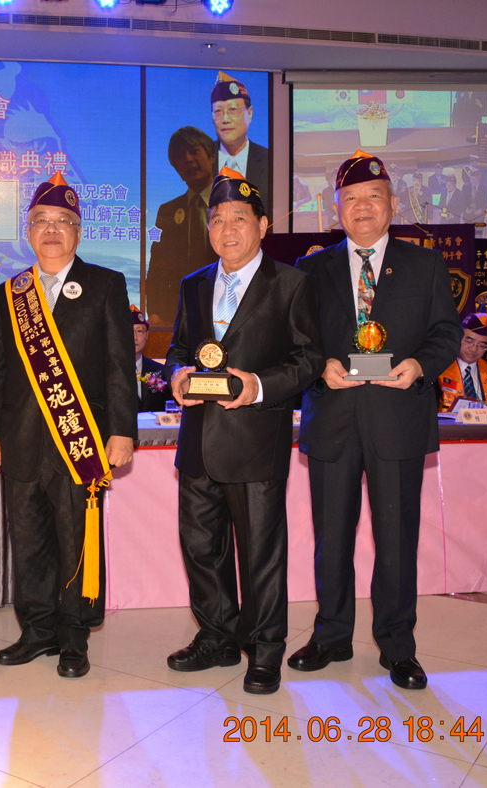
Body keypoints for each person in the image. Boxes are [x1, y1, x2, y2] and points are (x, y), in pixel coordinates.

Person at [291, 150, 460, 691]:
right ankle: (331, 636)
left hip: (398, 418)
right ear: (336, 209)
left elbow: (446, 333)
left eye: (373, 196)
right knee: (332, 540)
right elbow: (297, 340)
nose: (362, 206)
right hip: (333, 419)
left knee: (397, 540)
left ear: (392, 204)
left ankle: (398, 646)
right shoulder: (310, 270)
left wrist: (420, 365)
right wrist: (320, 366)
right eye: (351, 199)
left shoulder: (424, 265)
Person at [164, 168, 323, 695]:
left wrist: (256, 385)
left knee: (260, 553)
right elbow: (179, 349)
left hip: (255, 441)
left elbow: (309, 359)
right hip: (198, 443)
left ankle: (265, 648)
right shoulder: (194, 284)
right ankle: (216, 637)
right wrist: (177, 375)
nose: (226, 229)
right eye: (217, 220)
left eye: (238, 218)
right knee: (200, 548)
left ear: (262, 225)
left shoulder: (291, 284)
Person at [0, 172, 137, 679]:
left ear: (78, 232)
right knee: (28, 541)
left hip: (80, 440)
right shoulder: (9, 293)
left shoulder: (105, 285)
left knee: (76, 538)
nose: (51, 230)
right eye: (41, 221)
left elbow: (119, 365)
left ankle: (73, 636)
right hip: (20, 440)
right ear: (28, 231)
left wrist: (122, 430)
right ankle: (37, 631)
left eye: (62, 222)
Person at [147, 127, 219, 326]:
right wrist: (155, 311)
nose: (188, 160)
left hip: (223, 310)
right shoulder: (167, 210)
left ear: (212, 156)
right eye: (180, 156)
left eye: (194, 151)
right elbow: (157, 267)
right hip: (176, 316)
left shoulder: (231, 205)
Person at [210, 72, 269, 201]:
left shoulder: (270, 161)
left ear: (250, 113)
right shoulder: (202, 159)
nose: (225, 119)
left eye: (233, 110)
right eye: (218, 111)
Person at [439, 313, 487, 411]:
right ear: (458, 337)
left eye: (482, 345)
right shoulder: (439, 368)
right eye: (469, 341)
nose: (473, 349)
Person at [133, 306, 172, 413]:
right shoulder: (109, 372)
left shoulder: (161, 371)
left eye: (139, 331)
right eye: (128, 331)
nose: (134, 337)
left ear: (147, 335)